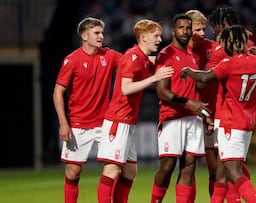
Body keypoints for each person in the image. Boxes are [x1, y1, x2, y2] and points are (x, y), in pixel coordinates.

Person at [181, 25, 256, 203]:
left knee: (233, 172)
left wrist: (188, 70)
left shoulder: (230, 63)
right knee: (222, 174)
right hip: (247, 124)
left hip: (230, 124)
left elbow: (204, 78)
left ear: (231, 42)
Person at [96, 19, 173, 203]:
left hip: (128, 121)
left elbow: (157, 61)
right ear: (144, 37)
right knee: (112, 170)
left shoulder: (142, 58)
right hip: (118, 120)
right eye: (156, 36)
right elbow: (126, 88)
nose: (160, 39)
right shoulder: (133, 57)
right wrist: (153, 78)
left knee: (130, 171)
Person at [53, 17, 122, 203]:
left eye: (102, 33)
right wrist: (63, 122)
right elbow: (58, 92)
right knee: (73, 172)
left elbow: (133, 62)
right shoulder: (72, 60)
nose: (101, 36)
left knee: (115, 167)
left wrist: (162, 60)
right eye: (97, 33)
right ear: (85, 36)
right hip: (78, 123)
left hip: (105, 124)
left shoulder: (109, 56)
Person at [150, 13, 210, 203]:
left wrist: (204, 114)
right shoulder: (166, 55)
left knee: (189, 167)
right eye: (181, 28)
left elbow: (194, 90)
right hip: (172, 118)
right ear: (173, 31)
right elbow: (162, 92)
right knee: (167, 167)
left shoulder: (193, 57)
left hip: (193, 118)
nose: (185, 31)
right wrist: (189, 103)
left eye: (187, 28)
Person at [204, 5, 255, 202]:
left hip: (225, 116)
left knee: (226, 171)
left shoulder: (223, 48)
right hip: (247, 115)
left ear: (224, 25)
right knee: (234, 167)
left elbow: (204, 79)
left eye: (215, 28)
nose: (214, 33)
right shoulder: (250, 45)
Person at [185, 9, 227, 200]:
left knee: (215, 170)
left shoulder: (215, 48)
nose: (203, 34)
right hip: (188, 115)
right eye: (198, 30)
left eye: (204, 29)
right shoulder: (181, 52)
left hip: (213, 113)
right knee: (187, 167)